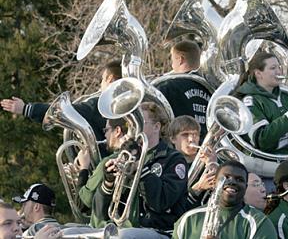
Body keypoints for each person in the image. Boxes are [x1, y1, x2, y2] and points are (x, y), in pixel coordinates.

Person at [93, 102, 188, 238]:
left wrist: (141, 169)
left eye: (139, 121)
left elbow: (161, 202)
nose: (133, 127)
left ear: (156, 127)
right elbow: (99, 213)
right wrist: (108, 182)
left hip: (160, 231)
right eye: (131, 122)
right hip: (124, 228)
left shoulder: (174, 159)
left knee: (121, 237)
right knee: (67, 233)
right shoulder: (127, 155)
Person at [0, 60, 122, 153]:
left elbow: (65, 111)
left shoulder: (100, 104)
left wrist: (26, 109)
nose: (100, 84)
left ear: (110, 79)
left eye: (102, 79)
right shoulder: (128, 103)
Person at [234, 52, 288, 154]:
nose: (279, 71)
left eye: (279, 67)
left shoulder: (286, 96)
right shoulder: (250, 102)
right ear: (258, 73)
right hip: (268, 164)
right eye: (273, 68)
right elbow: (262, 140)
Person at [172, 161, 277, 238]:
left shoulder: (259, 223)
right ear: (213, 182)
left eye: (239, 179)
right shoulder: (188, 220)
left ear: (245, 187)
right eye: (226, 177)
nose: (232, 182)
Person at [154, 40, 212, 141]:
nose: (172, 66)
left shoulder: (168, 87)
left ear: (180, 60)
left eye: (172, 61)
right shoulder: (212, 89)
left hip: (177, 151)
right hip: (204, 150)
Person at [78, 117, 130, 215]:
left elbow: (81, 204)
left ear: (117, 131)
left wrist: (83, 168)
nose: (105, 135)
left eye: (106, 130)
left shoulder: (109, 162)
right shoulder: (135, 158)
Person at [167, 115, 217, 209]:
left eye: (195, 134)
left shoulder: (207, 162)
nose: (191, 139)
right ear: (173, 139)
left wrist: (212, 164)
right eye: (185, 134)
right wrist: (198, 188)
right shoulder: (167, 165)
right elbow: (170, 204)